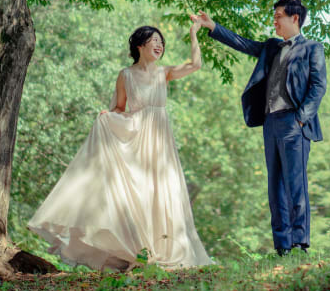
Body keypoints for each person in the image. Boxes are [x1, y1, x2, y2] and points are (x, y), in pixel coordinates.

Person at [28, 19, 212, 269]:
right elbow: (120, 108)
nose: (159, 46)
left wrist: (193, 34)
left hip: (159, 140)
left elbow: (196, 64)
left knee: (162, 192)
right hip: (135, 139)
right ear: (139, 45)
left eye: (161, 43)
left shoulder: (164, 72)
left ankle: (164, 249)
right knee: (138, 195)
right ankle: (138, 252)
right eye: (154, 41)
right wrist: (108, 117)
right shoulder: (125, 75)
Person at [192, 0, 327, 256]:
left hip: (294, 122)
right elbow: (244, 44)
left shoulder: (312, 48)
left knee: (295, 185)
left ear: (294, 18)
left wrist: (301, 118)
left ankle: (300, 243)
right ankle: (282, 246)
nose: (274, 21)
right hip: (270, 122)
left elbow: (318, 86)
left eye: (278, 16)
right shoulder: (272, 47)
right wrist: (213, 27)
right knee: (274, 186)